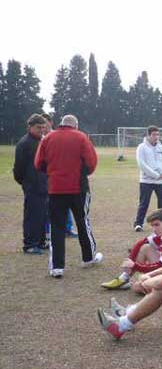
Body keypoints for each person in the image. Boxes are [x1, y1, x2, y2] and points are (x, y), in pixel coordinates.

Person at [34, 114, 101, 278]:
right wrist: (82, 173)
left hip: (55, 189)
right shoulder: (81, 137)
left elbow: (39, 163)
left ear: (61, 124)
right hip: (78, 189)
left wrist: (52, 173)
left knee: (56, 227)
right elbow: (91, 162)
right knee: (83, 222)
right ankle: (88, 257)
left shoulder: (48, 138)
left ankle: (57, 267)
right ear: (75, 125)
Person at [101, 209, 162, 291]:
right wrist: (130, 261)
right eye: (152, 226)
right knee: (145, 247)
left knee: (137, 286)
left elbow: (160, 267)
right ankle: (124, 278)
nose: (154, 229)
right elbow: (141, 243)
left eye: (157, 225)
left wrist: (135, 266)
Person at [13, 114, 48, 254]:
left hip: (43, 185)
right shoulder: (24, 143)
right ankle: (30, 245)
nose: (41, 130)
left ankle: (40, 242)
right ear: (30, 127)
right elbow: (18, 168)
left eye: (43, 127)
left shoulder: (42, 141)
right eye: (38, 127)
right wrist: (26, 183)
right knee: (32, 215)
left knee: (42, 215)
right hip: (32, 186)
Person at [133, 125, 162, 232]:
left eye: (158, 134)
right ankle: (138, 224)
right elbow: (142, 164)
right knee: (144, 203)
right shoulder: (141, 147)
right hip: (147, 181)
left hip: (161, 181)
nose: (156, 137)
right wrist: (155, 175)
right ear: (148, 135)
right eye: (154, 135)